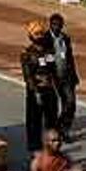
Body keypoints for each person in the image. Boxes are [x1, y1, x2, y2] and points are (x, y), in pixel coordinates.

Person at [20, 20, 60, 153]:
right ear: (30, 36)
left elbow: (54, 70)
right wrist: (36, 92)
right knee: (34, 120)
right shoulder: (27, 53)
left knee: (52, 118)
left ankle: (52, 144)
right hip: (36, 91)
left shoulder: (49, 52)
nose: (40, 36)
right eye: (37, 34)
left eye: (42, 33)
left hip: (49, 90)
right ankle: (34, 147)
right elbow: (28, 76)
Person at [48, 13, 79, 139]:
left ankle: (63, 128)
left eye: (59, 25)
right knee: (53, 106)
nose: (57, 28)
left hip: (67, 76)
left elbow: (70, 57)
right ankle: (55, 131)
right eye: (54, 25)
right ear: (50, 25)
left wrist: (74, 74)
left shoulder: (65, 38)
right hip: (53, 77)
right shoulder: (45, 39)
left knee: (71, 103)